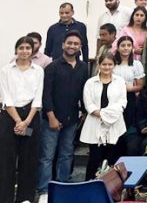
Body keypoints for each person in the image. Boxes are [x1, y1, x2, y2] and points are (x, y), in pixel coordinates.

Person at [37, 31, 89, 197]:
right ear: (63, 45)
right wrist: (51, 117)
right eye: (69, 43)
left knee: (67, 154)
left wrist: (84, 112)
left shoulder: (83, 67)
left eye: (76, 44)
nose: (72, 46)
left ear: (80, 47)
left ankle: (62, 184)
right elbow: (46, 94)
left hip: (72, 119)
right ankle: (44, 189)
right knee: (47, 156)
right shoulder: (52, 67)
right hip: (51, 118)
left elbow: (83, 92)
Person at [0, 37, 44, 203]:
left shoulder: (38, 70)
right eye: (21, 47)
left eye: (28, 48)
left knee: (29, 159)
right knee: (6, 160)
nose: (25, 51)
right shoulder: (6, 70)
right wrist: (19, 121)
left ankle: (25, 198)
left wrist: (26, 122)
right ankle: (5, 198)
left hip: (31, 116)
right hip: (10, 115)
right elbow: (6, 98)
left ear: (32, 50)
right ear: (16, 50)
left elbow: (38, 98)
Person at [80, 52, 127, 180]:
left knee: (111, 160)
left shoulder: (120, 81)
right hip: (95, 125)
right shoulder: (90, 82)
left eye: (110, 64)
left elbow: (122, 102)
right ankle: (89, 187)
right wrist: (102, 114)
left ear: (114, 65)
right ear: (99, 65)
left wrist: (109, 116)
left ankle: (111, 190)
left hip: (115, 125)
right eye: (104, 64)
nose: (107, 67)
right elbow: (88, 104)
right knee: (94, 160)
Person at [112, 36, 145, 156]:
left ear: (132, 48)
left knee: (127, 126)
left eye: (128, 45)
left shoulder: (136, 64)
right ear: (118, 47)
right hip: (113, 99)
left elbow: (140, 85)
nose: (126, 48)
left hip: (129, 98)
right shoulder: (113, 63)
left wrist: (127, 88)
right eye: (123, 45)